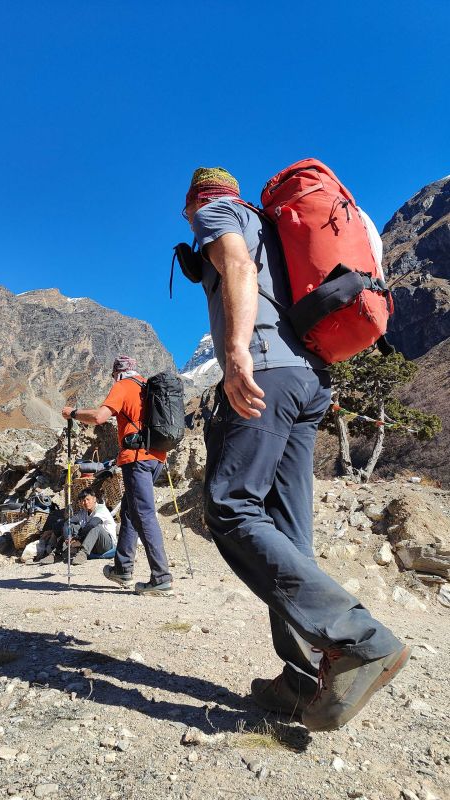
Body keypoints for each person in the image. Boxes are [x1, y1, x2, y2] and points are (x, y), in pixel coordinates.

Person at [182, 167, 410, 732]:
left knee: (232, 507)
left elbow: (234, 264)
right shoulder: (276, 227)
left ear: (195, 201)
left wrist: (235, 353)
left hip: (265, 370)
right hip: (310, 381)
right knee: (288, 531)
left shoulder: (218, 211)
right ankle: (304, 678)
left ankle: (362, 641)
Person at [61, 355, 173, 595]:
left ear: (117, 372)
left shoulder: (123, 386)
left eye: (113, 375)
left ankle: (161, 578)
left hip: (136, 459)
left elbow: (100, 417)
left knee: (144, 514)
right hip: (157, 459)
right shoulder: (148, 386)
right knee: (131, 512)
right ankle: (122, 568)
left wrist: (73, 413)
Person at [68, 488, 117, 565]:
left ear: (94, 499)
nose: (86, 502)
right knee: (74, 526)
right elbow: (69, 522)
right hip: (93, 545)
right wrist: (69, 536)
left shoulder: (101, 509)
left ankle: (82, 554)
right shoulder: (83, 512)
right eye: (83, 500)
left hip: (106, 545)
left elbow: (92, 524)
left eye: (88, 499)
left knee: (96, 527)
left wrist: (78, 538)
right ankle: (57, 551)